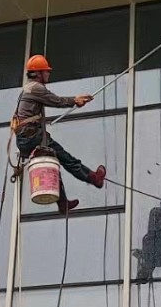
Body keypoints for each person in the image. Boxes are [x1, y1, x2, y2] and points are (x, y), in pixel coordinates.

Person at [12, 54, 105, 213]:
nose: (49, 74)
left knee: (53, 162)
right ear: (38, 73)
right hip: (33, 137)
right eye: (46, 71)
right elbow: (56, 101)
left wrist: (76, 99)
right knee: (66, 158)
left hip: (25, 139)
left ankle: (62, 203)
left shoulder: (27, 89)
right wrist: (75, 100)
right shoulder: (36, 88)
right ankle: (93, 178)